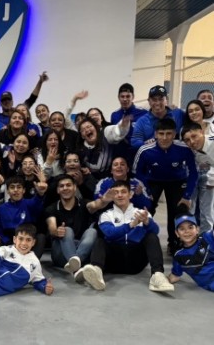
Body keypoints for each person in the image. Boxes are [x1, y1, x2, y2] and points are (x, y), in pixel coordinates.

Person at [79, 180, 174, 292]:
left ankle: (157, 276)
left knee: (152, 237)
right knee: (100, 241)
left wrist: (148, 222)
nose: (119, 195)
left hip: (136, 262)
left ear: (130, 194)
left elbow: (156, 231)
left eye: (123, 192)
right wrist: (131, 225)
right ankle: (97, 272)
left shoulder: (142, 213)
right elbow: (110, 234)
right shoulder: (106, 215)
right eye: (116, 192)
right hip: (113, 262)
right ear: (112, 196)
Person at [133, 118, 198, 255]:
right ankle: (143, 241)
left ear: (174, 134)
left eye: (169, 133)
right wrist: (147, 190)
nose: (164, 137)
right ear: (155, 134)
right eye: (161, 133)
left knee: (178, 211)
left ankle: (175, 244)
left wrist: (187, 196)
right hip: (153, 181)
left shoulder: (184, 149)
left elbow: (193, 173)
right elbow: (138, 172)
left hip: (177, 181)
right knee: (146, 209)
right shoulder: (145, 150)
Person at [45, 174, 101, 278]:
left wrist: (105, 199)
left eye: (68, 185)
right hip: (60, 253)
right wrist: (57, 231)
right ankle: (77, 269)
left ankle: (75, 266)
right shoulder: (52, 208)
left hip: (82, 248)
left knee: (92, 232)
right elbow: (51, 227)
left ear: (74, 187)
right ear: (57, 190)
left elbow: (96, 205)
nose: (65, 188)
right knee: (67, 230)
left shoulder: (84, 203)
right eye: (61, 186)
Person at [0, 176, 47, 258]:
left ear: (24, 190)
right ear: (8, 191)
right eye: (12, 187)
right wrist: (8, 241)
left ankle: (31, 262)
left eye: (19, 187)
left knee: (41, 237)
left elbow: (37, 202)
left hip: (27, 241)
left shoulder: (29, 203)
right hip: (9, 242)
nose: (16, 190)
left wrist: (40, 194)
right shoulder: (1, 208)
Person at [181, 122, 214, 233]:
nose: (192, 142)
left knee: (208, 211)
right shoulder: (194, 151)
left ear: (201, 132)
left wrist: (211, 179)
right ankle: (205, 240)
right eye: (187, 140)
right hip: (206, 177)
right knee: (205, 211)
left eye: (194, 136)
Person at [131, 85, 185, 150]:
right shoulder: (142, 121)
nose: (157, 103)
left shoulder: (178, 114)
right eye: (154, 100)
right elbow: (134, 142)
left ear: (166, 100)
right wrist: (145, 144)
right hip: (153, 157)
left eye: (161, 99)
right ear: (149, 101)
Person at [168, 213, 214, 291]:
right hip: (210, 284)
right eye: (182, 229)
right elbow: (174, 277)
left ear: (197, 229)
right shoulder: (179, 256)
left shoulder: (206, 238)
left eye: (190, 227)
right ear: (177, 233)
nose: (187, 231)